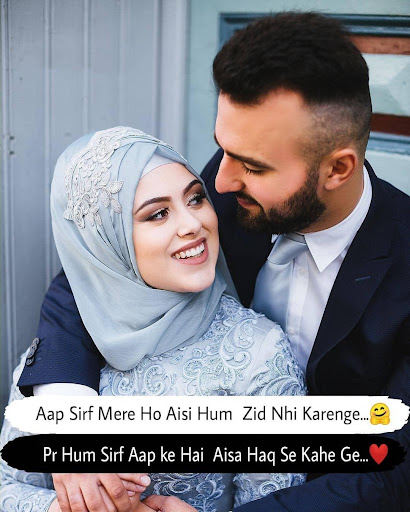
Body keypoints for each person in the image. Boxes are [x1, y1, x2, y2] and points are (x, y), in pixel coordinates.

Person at [16, 11, 410, 511]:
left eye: (252, 166)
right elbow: (94, 274)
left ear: (337, 169)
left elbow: (394, 470)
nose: (219, 182)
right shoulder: (228, 191)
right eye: (224, 149)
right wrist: (68, 413)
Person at [0, 126, 306, 512]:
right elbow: (9, 485)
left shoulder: (258, 351)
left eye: (196, 198)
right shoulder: (62, 351)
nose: (192, 223)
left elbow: (278, 502)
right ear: (106, 242)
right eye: (158, 214)